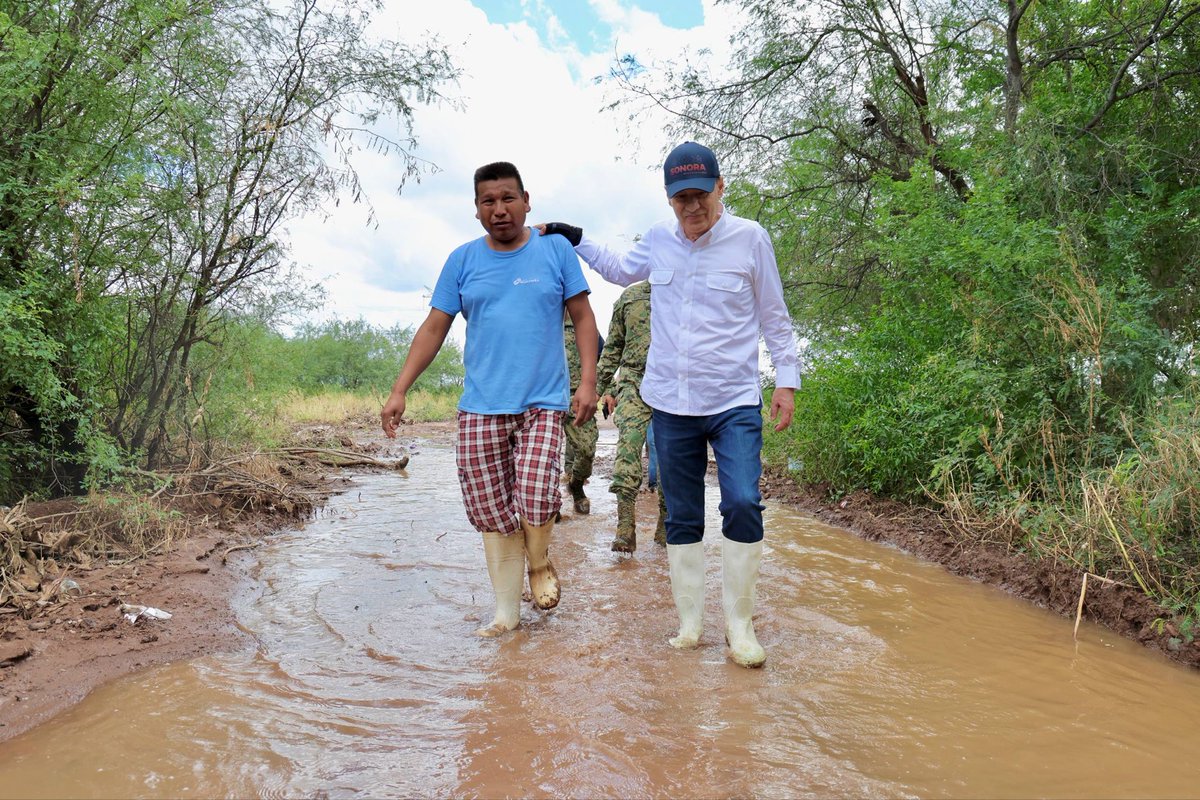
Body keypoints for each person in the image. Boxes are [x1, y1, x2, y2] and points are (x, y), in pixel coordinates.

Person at [541, 141, 799, 668]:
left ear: (720, 188)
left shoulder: (751, 239)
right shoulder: (659, 240)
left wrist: (787, 381)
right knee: (682, 514)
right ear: (669, 199)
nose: (693, 207)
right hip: (670, 402)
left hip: (733, 400)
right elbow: (617, 270)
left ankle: (740, 628)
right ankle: (689, 625)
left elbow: (774, 316)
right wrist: (577, 239)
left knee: (743, 502)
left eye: (701, 195)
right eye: (682, 198)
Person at [382, 161, 599, 638]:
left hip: (543, 401)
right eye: (488, 202)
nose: (499, 210)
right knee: (490, 510)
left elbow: (584, 318)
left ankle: (539, 562)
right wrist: (400, 389)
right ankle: (506, 614)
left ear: (527, 201)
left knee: (537, 494)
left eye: (508, 199)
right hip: (481, 405)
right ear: (477, 210)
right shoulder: (462, 261)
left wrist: (588, 382)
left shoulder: (555, 250)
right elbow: (434, 328)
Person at [595, 280, 666, 552]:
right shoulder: (630, 297)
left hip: (674, 386)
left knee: (672, 456)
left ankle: (666, 524)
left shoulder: (686, 289)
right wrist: (596, 390)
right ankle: (625, 527)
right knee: (628, 449)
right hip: (634, 383)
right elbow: (612, 348)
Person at [562, 311, 603, 514]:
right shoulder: (540, 321)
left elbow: (603, 360)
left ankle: (576, 486)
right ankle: (549, 504)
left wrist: (604, 390)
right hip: (546, 395)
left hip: (578, 397)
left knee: (587, 450)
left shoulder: (585, 327)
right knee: (543, 454)